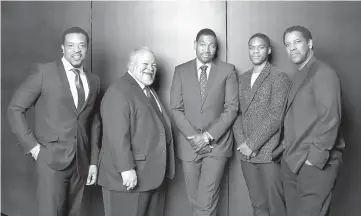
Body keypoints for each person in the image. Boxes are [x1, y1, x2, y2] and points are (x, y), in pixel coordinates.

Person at [7, 27, 100, 216]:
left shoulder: (93, 80)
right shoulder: (44, 73)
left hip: (81, 163)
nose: (77, 50)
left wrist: (93, 161)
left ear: (87, 48)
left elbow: (94, 122)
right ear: (62, 48)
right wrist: (33, 148)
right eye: (71, 45)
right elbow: (15, 109)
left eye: (81, 45)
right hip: (50, 160)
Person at [97, 47, 175, 216]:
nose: (150, 68)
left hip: (151, 177)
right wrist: (126, 169)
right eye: (145, 64)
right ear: (131, 65)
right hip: (128, 179)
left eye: (153, 65)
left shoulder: (146, 90)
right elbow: (116, 136)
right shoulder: (119, 91)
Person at [170, 28, 238, 216]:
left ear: (216, 48)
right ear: (195, 45)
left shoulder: (228, 70)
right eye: (202, 44)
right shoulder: (180, 71)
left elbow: (231, 108)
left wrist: (207, 136)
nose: (207, 49)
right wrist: (194, 137)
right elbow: (175, 108)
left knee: (206, 202)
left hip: (217, 146)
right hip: (189, 145)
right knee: (196, 202)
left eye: (212, 45)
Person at [281, 25, 345, 216]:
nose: (292, 48)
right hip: (293, 163)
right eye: (287, 44)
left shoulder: (323, 72)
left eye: (297, 42)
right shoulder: (300, 74)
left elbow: (331, 119)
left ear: (310, 43)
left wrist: (313, 161)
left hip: (314, 163)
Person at [232, 33, 290, 216]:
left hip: (269, 153)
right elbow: (236, 113)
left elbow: (276, 116)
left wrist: (252, 144)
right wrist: (243, 144)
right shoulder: (242, 78)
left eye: (261, 47)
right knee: (257, 204)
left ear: (269, 50)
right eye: (252, 47)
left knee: (276, 206)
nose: (256, 51)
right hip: (246, 154)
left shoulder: (279, 77)